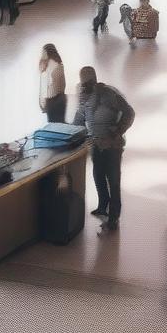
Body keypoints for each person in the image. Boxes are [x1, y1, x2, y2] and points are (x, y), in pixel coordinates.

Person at [72, 66, 135, 233]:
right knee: (98, 176)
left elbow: (129, 112)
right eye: (83, 82)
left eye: (88, 81)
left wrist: (118, 131)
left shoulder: (109, 94)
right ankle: (102, 206)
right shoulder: (83, 95)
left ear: (94, 78)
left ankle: (113, 217)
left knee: (113, 180)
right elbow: (80, 116)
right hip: (95, 143)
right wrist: (70, 132)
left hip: (112, 146)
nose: (85, 85)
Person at [38, 44, 67, 123]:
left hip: (51, 101)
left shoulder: (45, 67)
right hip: (61, 99)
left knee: (53, 126)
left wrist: (43, 105)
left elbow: (44, 89)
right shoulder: (60, 65)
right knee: (61, 124)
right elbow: (63, 84)